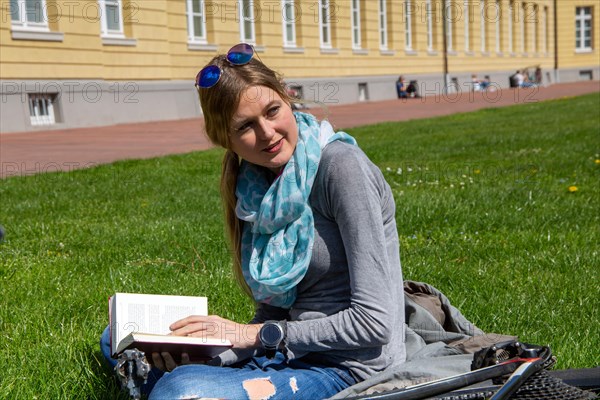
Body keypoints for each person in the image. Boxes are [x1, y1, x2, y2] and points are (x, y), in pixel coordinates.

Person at [100, 43, 406, 399]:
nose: (267, 133)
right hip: (283, 354)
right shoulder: (255, 190)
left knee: (178, 390)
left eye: (273, 111)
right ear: (225, 139)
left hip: (348, 368)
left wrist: (250, 336)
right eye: (246, 126)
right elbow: (274, 312)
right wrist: (209, 356)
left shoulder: (341, 167)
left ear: (287, 98)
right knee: (120, 339)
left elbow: (375, 323)